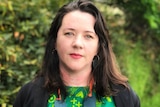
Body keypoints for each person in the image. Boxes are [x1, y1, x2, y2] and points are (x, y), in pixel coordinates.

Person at [13, 0, 140, 107]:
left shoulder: (124, 96)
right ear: (55, 41)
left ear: (99, 47)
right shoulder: (29, 94)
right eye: (69, 33)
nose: (77, 43)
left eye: (88, 36)